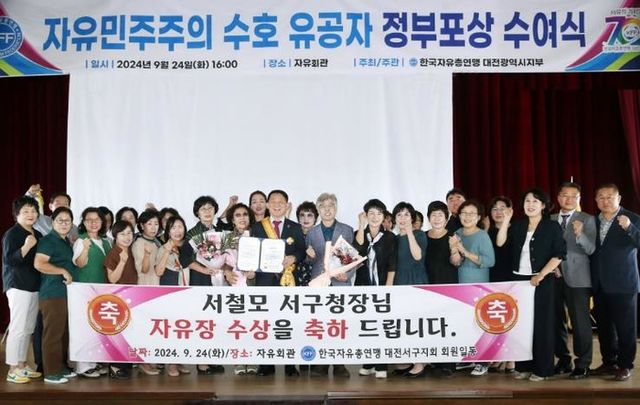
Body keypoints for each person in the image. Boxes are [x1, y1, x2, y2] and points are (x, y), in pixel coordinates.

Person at [497, 188, 566, 382]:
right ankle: (524, 366)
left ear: (543, 206)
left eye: (535, 201)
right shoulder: (518, 226)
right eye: (527, 201)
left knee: (542, 325)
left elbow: (559, 254)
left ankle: (543, 369)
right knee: (522, 325)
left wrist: (541, 274)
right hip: (519, 281)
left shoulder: (551, 227)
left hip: (541, 281)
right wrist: (506, 221)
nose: (530, 204)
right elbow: (501, 243)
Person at [250, 190, 306, 377]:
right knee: (265, 323)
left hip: (288, 281)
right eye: (272, 201)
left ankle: (290, 364)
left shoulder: (295, 227)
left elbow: (302, 251)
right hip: (265, 282)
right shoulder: (257, 227)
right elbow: (252, 253)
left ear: (287, 205)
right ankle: (266, 364)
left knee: (288, 323)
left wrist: (293, 257)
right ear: (267, 205)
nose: (276, 205)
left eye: (280, 202)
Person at [590, 183, 640, 381]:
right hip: (599, 283)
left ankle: (625, 365)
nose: (606, 201)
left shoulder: (632, 218)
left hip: (623, 282)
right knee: (604, 328)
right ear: (596, 200)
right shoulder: (592, 221)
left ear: (619, 198)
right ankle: (609, 362)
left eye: (610, 197)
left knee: (626, 328)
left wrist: (629, 228)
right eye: (601, 197)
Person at [305, 193, 354, 378]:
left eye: (331, 205)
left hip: (340, 282)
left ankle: (339, 364)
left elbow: (352, 259)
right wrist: (309, 257)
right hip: (319, 283)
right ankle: (321, 363)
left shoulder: (347, 230)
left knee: (339, 324)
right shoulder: (311, 232)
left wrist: (347, 275)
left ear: (336, 208)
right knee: (320, 323)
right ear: (318, 209)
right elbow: (309, 262)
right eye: (323, 206)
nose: (327, 209)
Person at [551, 182, 596, 379]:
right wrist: (551, 267)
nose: (568, 199)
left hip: (578, 277)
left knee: (580, 322)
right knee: (555, 320)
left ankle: (583, 363)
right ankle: (563, 359)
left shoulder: (587, 219)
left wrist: (580, 234)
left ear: (579, 199)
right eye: (564, 195)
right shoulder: (549, 219)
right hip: (553, 276)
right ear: (558, 197)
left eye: (573, 196)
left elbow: (591, 249)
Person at [178, 196, 225, 375]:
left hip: (218, 279)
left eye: (210, 208)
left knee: (216, 320)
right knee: (202, 320)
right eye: (203, 209)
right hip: (200, 279)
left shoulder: (221, 230)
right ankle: (202, 362)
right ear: (197, 213)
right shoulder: (192, 233)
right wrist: (204, 269)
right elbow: (184, 258)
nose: (207, 211)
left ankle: (212, 358)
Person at [449, 199, 495, 377]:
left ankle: (483, 361)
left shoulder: (482, 235)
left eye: (471, 214)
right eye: (464, 213)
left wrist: (465, 251)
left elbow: (490, 261)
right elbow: (454, 261)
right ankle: (469, 358)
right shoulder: (457, 233)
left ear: (478, 217)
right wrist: (455, 251)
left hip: (478, 284)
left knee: (479, 324)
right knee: (464, 323)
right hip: (459, 283)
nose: (467, 217)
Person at [34, 207, 78, 384]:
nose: (64, 224)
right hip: (53, 293)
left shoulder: (64, 241)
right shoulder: (48, 241)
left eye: (68, 221)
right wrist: (62, 271)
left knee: (63, 332)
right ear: (52, 222)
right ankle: (51, 372)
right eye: (60, 220)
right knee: (53, 333)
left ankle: (61, 367)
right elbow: (39, 263)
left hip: (65, 294)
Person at [2, 196, 43, 383]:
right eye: (25, 211)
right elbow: (10, 260)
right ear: (17, 214)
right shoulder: (12, 234)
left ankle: (22, 364)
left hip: (34, 286)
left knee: (28, 328)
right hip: (18, 285)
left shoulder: (38, 234)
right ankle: (12, 369)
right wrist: (26, 247)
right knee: (17, 328)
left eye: (33, 211)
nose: (30, 214)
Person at [354, 199, 396, 379]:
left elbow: (392, 264)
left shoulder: (389, 237)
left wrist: (388, 287)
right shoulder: (359, 233)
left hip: (382, 285)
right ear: (365, 215)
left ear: (383, 216)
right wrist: (361, 226)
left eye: (379, 213)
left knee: (381, 326)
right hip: (363, 285)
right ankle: (368, 363)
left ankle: (381, 365)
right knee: (366, 325)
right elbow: (358, 249)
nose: (375, 217)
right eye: (371, 213)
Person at [72, 207, 112, 378]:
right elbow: (80, 264)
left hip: (102, 290)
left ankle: (94, 363)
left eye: (97, 219)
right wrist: (86, 249)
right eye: (89, 220)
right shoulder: (81, 240)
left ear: (102, 222)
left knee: (97, 327)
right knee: (84, 327)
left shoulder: (106, 241)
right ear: (84, 222)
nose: (93, 223)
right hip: (85, 289)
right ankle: (83, 366)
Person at [391, 202, 428, 377]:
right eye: (399, 215)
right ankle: (408, 360)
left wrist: (410, 232)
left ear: (412, 218)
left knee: (416, 324)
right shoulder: (394, 239)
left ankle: (420, 363)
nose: (403, 218)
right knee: (403, 325)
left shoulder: (420, 234)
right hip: (399, 283)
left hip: (416, 282)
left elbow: (417, 256)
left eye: (406, 215)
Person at [221, 203, 258, 376]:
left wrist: (255, 272)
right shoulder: (227, 238)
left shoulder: (257, 235)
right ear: (232, 220)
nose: (242, 218)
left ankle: (253, 359)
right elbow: (222, 262)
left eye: (245, 214)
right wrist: (226, 272)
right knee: (238, 324)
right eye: (238, 215)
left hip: (253, 284)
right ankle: (239, 359)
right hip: (235, 284)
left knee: (254, 323)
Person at [424, 201, 458, 377]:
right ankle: (434, 360)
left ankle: (448, 364)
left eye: (440, 215)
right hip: (427, 287)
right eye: (433, 215)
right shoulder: (423, 236)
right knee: (431, 325)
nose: (437, 218)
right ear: (428, 218)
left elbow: (457, 262)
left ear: (446, 218)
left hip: (447, 285)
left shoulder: (453, 236)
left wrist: (454, 249)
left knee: (447, 324)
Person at [154, 215, 191, 377]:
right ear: (168, 231)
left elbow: (191, 265)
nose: (177, 231)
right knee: (172, 328)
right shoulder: (163, 248)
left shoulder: (188, 246)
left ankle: (178, 361)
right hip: (169, 292)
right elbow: (158, 271)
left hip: (186, 292)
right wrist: (167, 251)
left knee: (183, 328)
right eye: (173, 228)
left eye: (180, 227)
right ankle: (171, 364)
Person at [103, 220, 138, 379]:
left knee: (128, 331)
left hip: (131, 296)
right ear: (115, 236)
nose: (127, 237)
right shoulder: (113, 253)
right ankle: (115, 367)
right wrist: (122, 262)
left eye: (129, 233)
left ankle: (124, 363)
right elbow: (112, 279)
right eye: (122, 234)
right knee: (117, 332)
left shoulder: (131, 250)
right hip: (117, 297)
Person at [486, 196, 516, 374]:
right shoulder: (486, 231)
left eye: (502, 208)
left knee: (511, 318)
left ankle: (511, 358)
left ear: (510, 210)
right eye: (494, 209)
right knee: (496, 319)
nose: (498, 212)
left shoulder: (517, 229)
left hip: (513, 279)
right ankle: (498, 357)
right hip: (492, 278)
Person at [295, 201, 318, 286]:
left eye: (309, 215)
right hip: (295, 278)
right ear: (298, 218)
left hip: (316, 278)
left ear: (315, 218)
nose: (306, 219)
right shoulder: (292, 235)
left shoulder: (320, 236)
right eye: (302, 215)